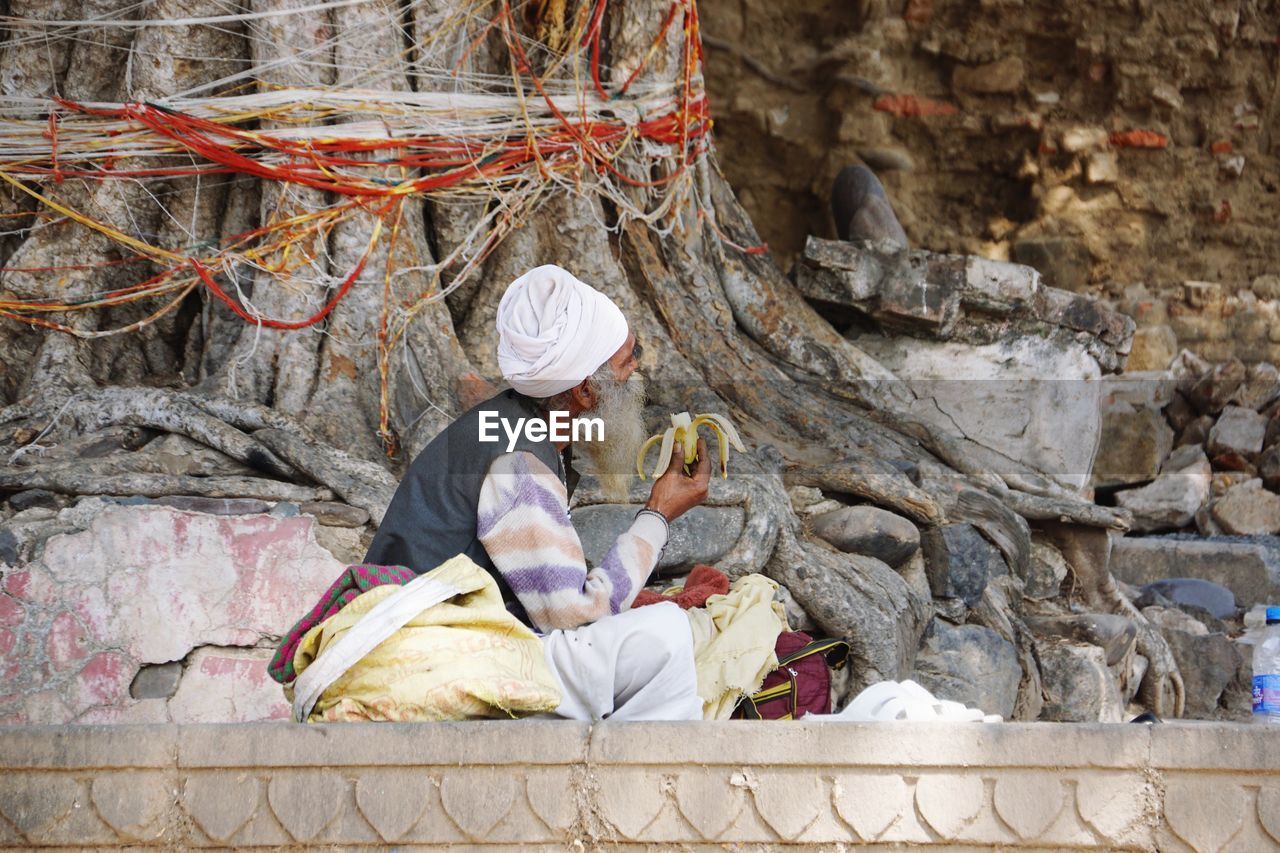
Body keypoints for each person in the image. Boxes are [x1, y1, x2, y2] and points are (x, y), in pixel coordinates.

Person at [363, 264, 712, 720]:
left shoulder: (517, 425)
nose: (636, 371)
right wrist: (658, 514)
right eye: (629, 360)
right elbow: (579, 617)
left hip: (447, 648)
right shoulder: (519, 463)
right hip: (433, 663)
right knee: (664, 633)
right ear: (586, 391)